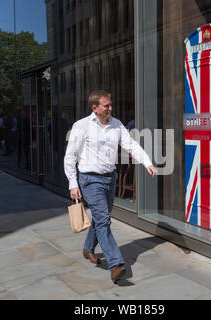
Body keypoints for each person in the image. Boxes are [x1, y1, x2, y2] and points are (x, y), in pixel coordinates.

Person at [64, 90, 157, 283]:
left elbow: (131, 145)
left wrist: (147, 162)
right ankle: (116, 264)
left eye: (110, 105)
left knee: (100, 219)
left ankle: (88, 249)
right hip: (90, 180)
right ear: (95, 108)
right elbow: (70, 157)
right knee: (104, 219)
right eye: (106, 105)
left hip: (110, 179)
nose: (110, 108)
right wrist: (73, 183)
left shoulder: (116, 124)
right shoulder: (81, 126)